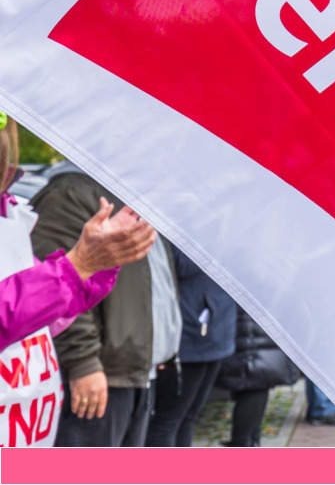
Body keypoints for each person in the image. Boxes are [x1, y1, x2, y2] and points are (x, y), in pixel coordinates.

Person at [0, 114, 156, 447]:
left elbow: (44, 314)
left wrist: (96, 263)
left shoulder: (9, 212)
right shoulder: (66, 193)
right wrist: (79, 264)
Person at [30, 160, 182, 447]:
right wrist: (82, 361)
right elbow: (54, 286)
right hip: (100, 375)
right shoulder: (72, 192)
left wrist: (156, 349)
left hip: (132, 372)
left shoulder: (131, 193)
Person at [145, 249, 237, 446]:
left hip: (195, 331)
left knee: (169, 421)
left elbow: (177, 264)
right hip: (205, 326)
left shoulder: (204, 235)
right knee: (179, 419)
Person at [215, 306, 301, 446]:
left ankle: (243, 444)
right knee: (256, 387)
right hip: (259, 337)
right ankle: (249, 442)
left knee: (253, 387)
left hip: (250, 339)